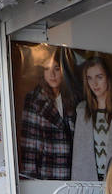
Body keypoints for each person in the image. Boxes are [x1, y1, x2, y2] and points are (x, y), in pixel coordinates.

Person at [71, 57, 112, 182]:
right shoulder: (81, 112)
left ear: (108, 78)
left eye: (99, 77)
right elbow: (78, 160)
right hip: (88, 187)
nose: (94, 84)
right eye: (89, 78)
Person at [18, 47, 73, 180]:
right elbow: (29, 145)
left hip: (72, 173)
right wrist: (31, 180)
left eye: (56, 68)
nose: (52, 74)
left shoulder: (72, 98)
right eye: (47, 69)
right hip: (46, 173)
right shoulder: (34, 100)